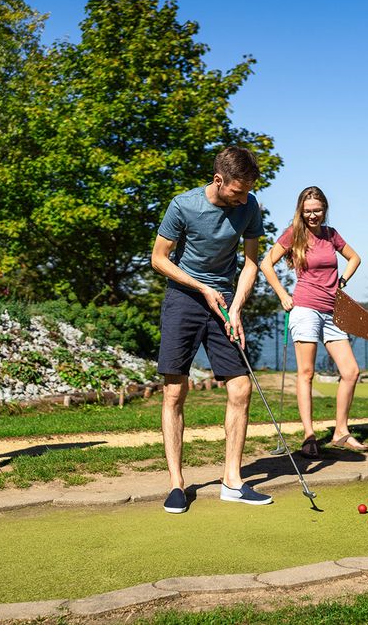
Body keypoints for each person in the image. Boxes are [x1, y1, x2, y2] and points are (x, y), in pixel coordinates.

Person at [150, 146, 272, 514]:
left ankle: (232, 481)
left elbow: (251, 264)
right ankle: (176, 483)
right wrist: (201, 288)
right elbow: (158, 259)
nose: (243, 199)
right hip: (184, 297)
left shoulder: (249, 206)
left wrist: (236, 307)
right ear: (218, 180)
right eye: (237, 191)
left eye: (248, 191)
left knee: (241, 386)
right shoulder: (183, 205)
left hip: (225, 301)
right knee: (175, 390)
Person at [259, 186, 366, 458]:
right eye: (307, 211)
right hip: (305, 308)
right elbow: (265, 264)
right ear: (300, 211)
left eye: (317, 210)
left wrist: (342, 282)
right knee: (306, 373)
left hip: (332, 311)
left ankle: (340, 432)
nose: (312, 215)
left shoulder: (331, 235)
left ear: (324, 209)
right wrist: (283, 294)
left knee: (351, 371)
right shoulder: (294, 234)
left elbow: (355, 258)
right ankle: (309, 436)